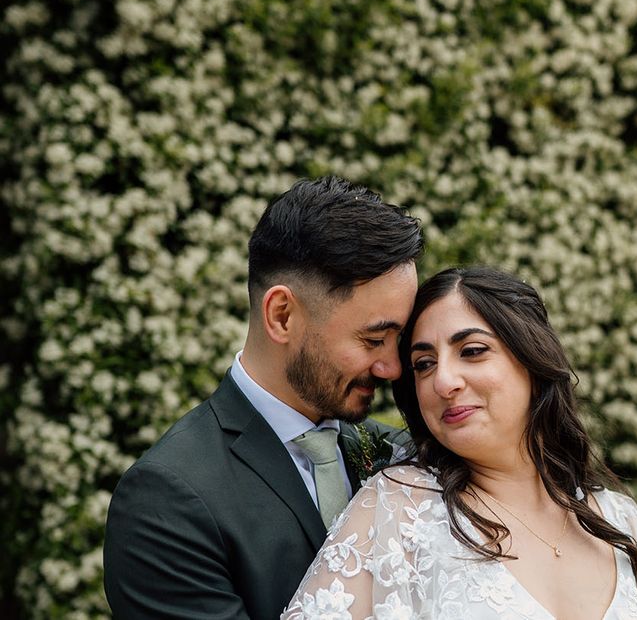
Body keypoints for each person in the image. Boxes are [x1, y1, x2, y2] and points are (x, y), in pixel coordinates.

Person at [103, 176, 423, 619]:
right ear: (282, 315)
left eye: (400, 339)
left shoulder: (405, 458)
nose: (393, 368)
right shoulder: (167, 501)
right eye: (373, 339)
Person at [283, 266, 637, 619]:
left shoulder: (620, 520)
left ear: (532, 359)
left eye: (472, 351)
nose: (443, 381)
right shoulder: (399, 508)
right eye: (424, 364)